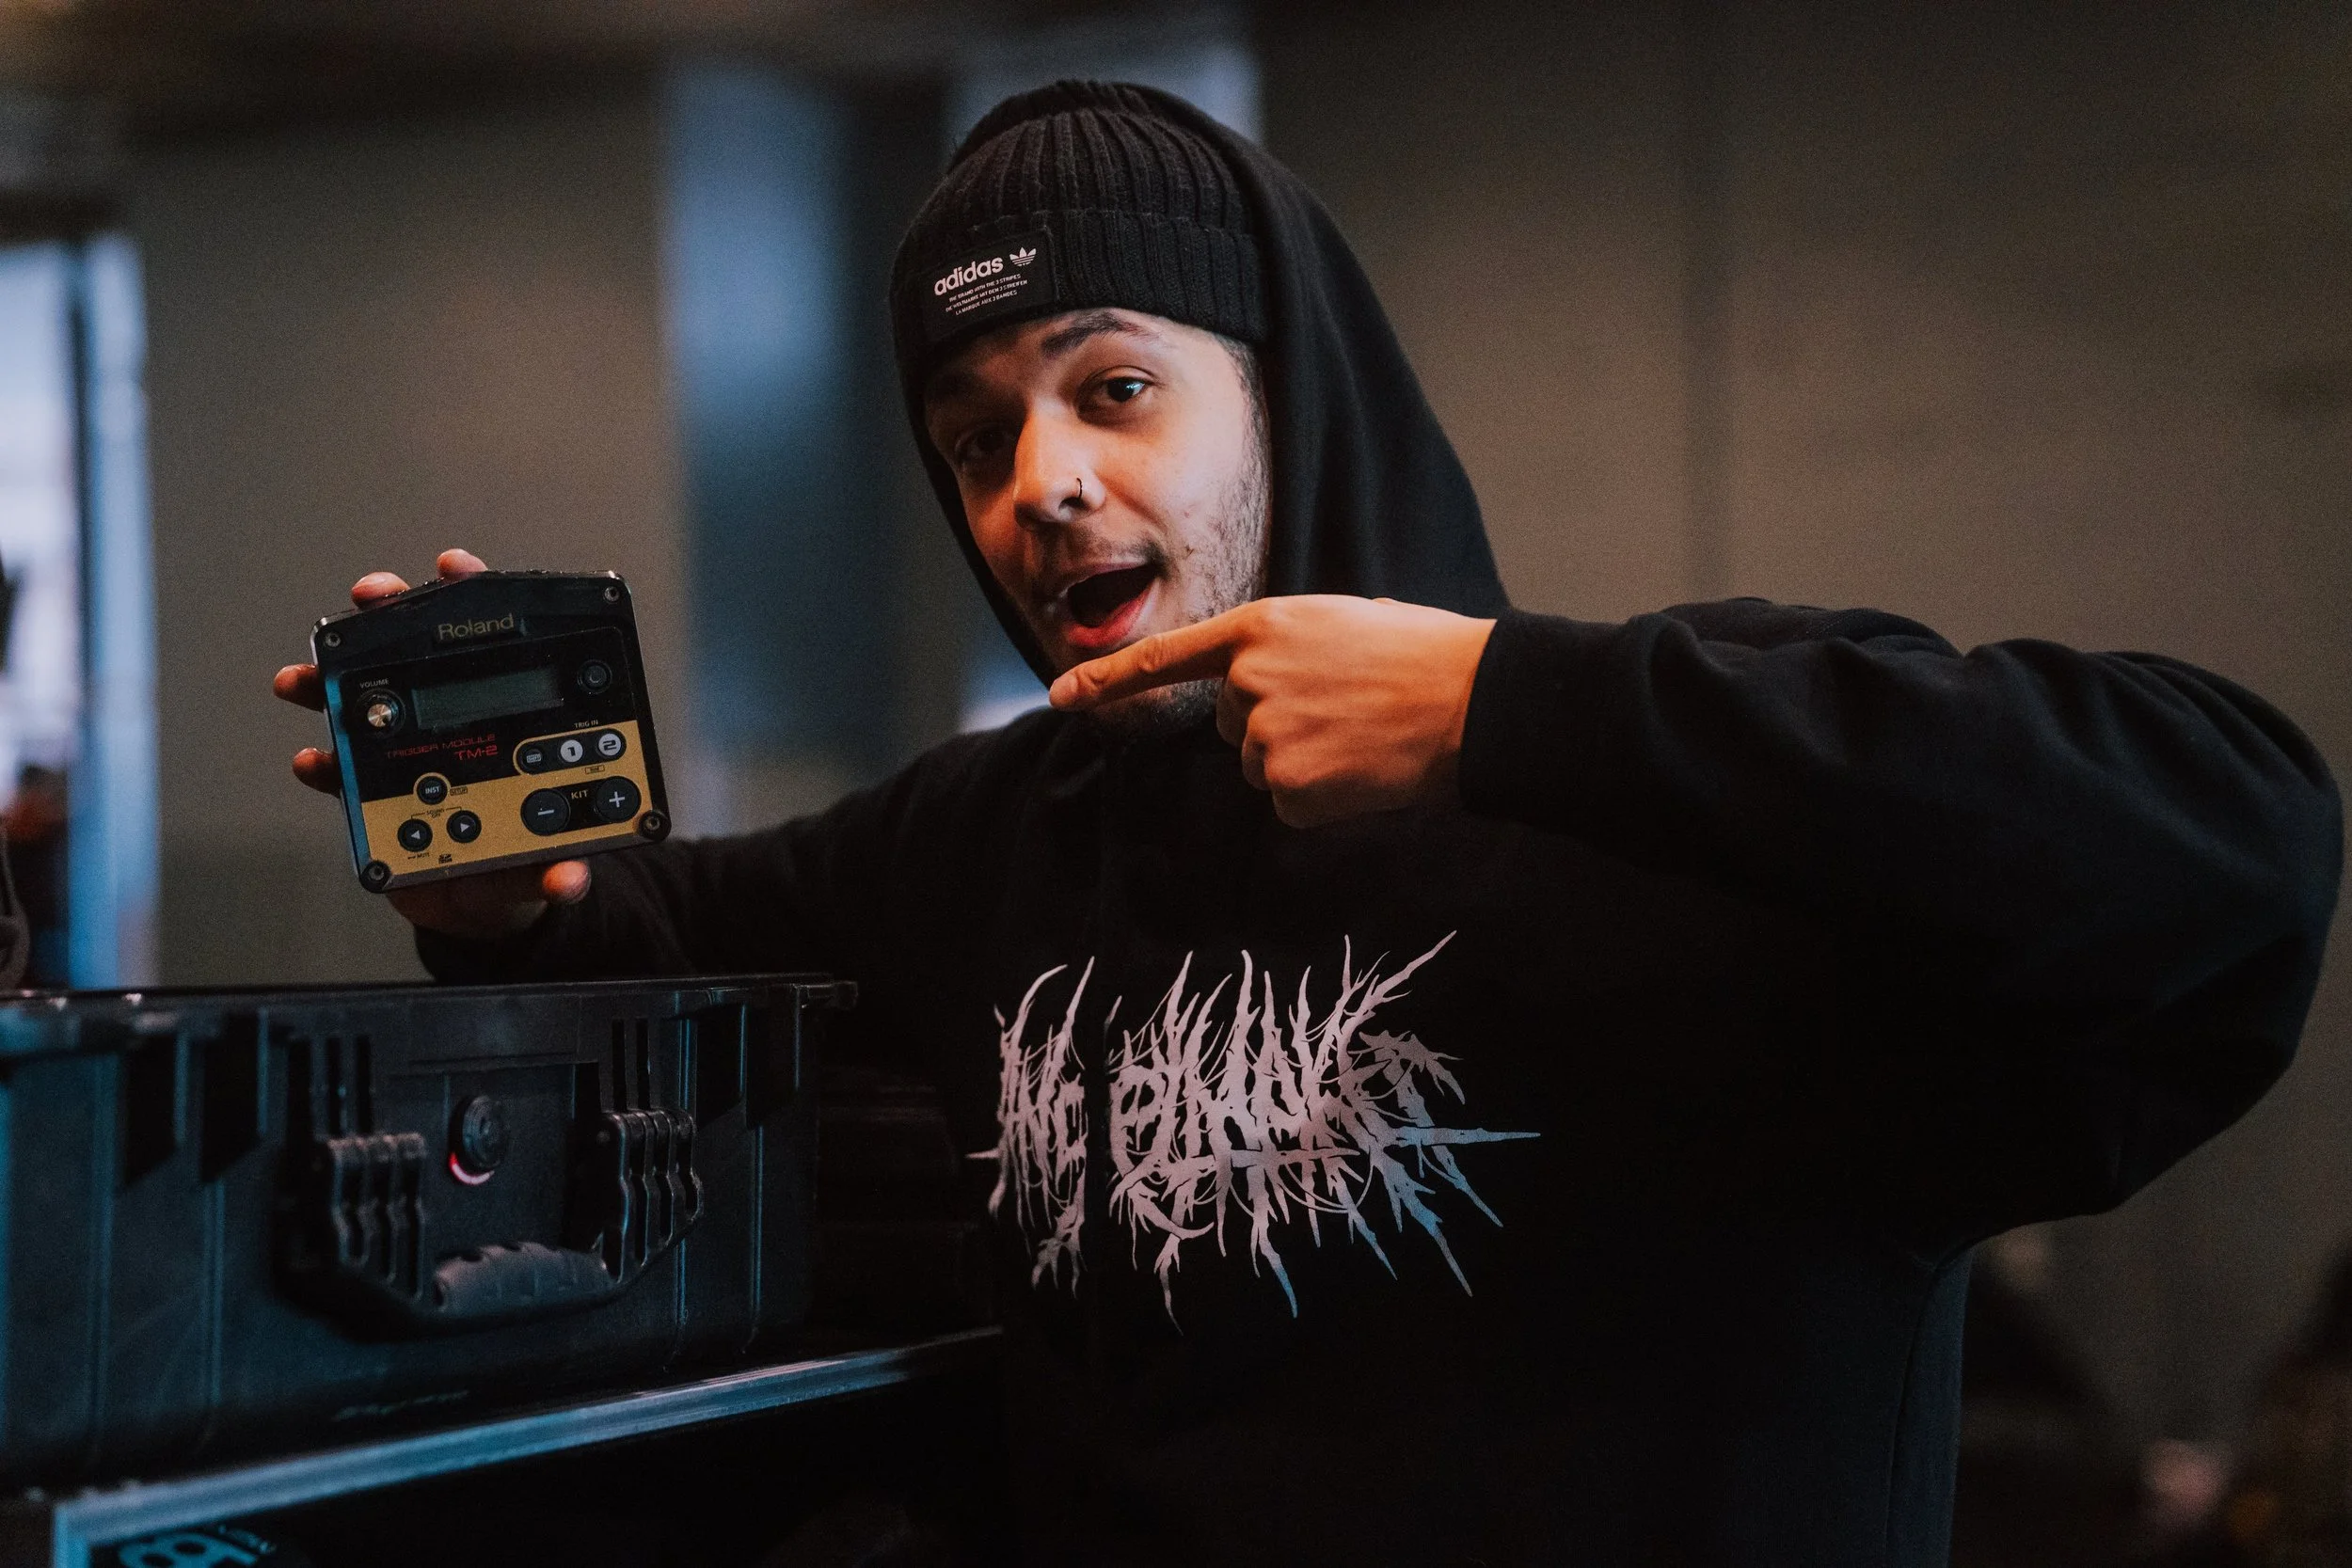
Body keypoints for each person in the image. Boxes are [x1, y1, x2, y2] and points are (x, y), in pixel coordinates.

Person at [272, 81, 2342, 1567]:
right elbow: (646, 924)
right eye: (975, 436)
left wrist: (1499, 706)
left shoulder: (1654, 785)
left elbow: (2231, 830)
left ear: (1285, 391)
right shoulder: (989, 835)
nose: (1040, 482)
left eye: (1112, 385)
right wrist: (502, 892)